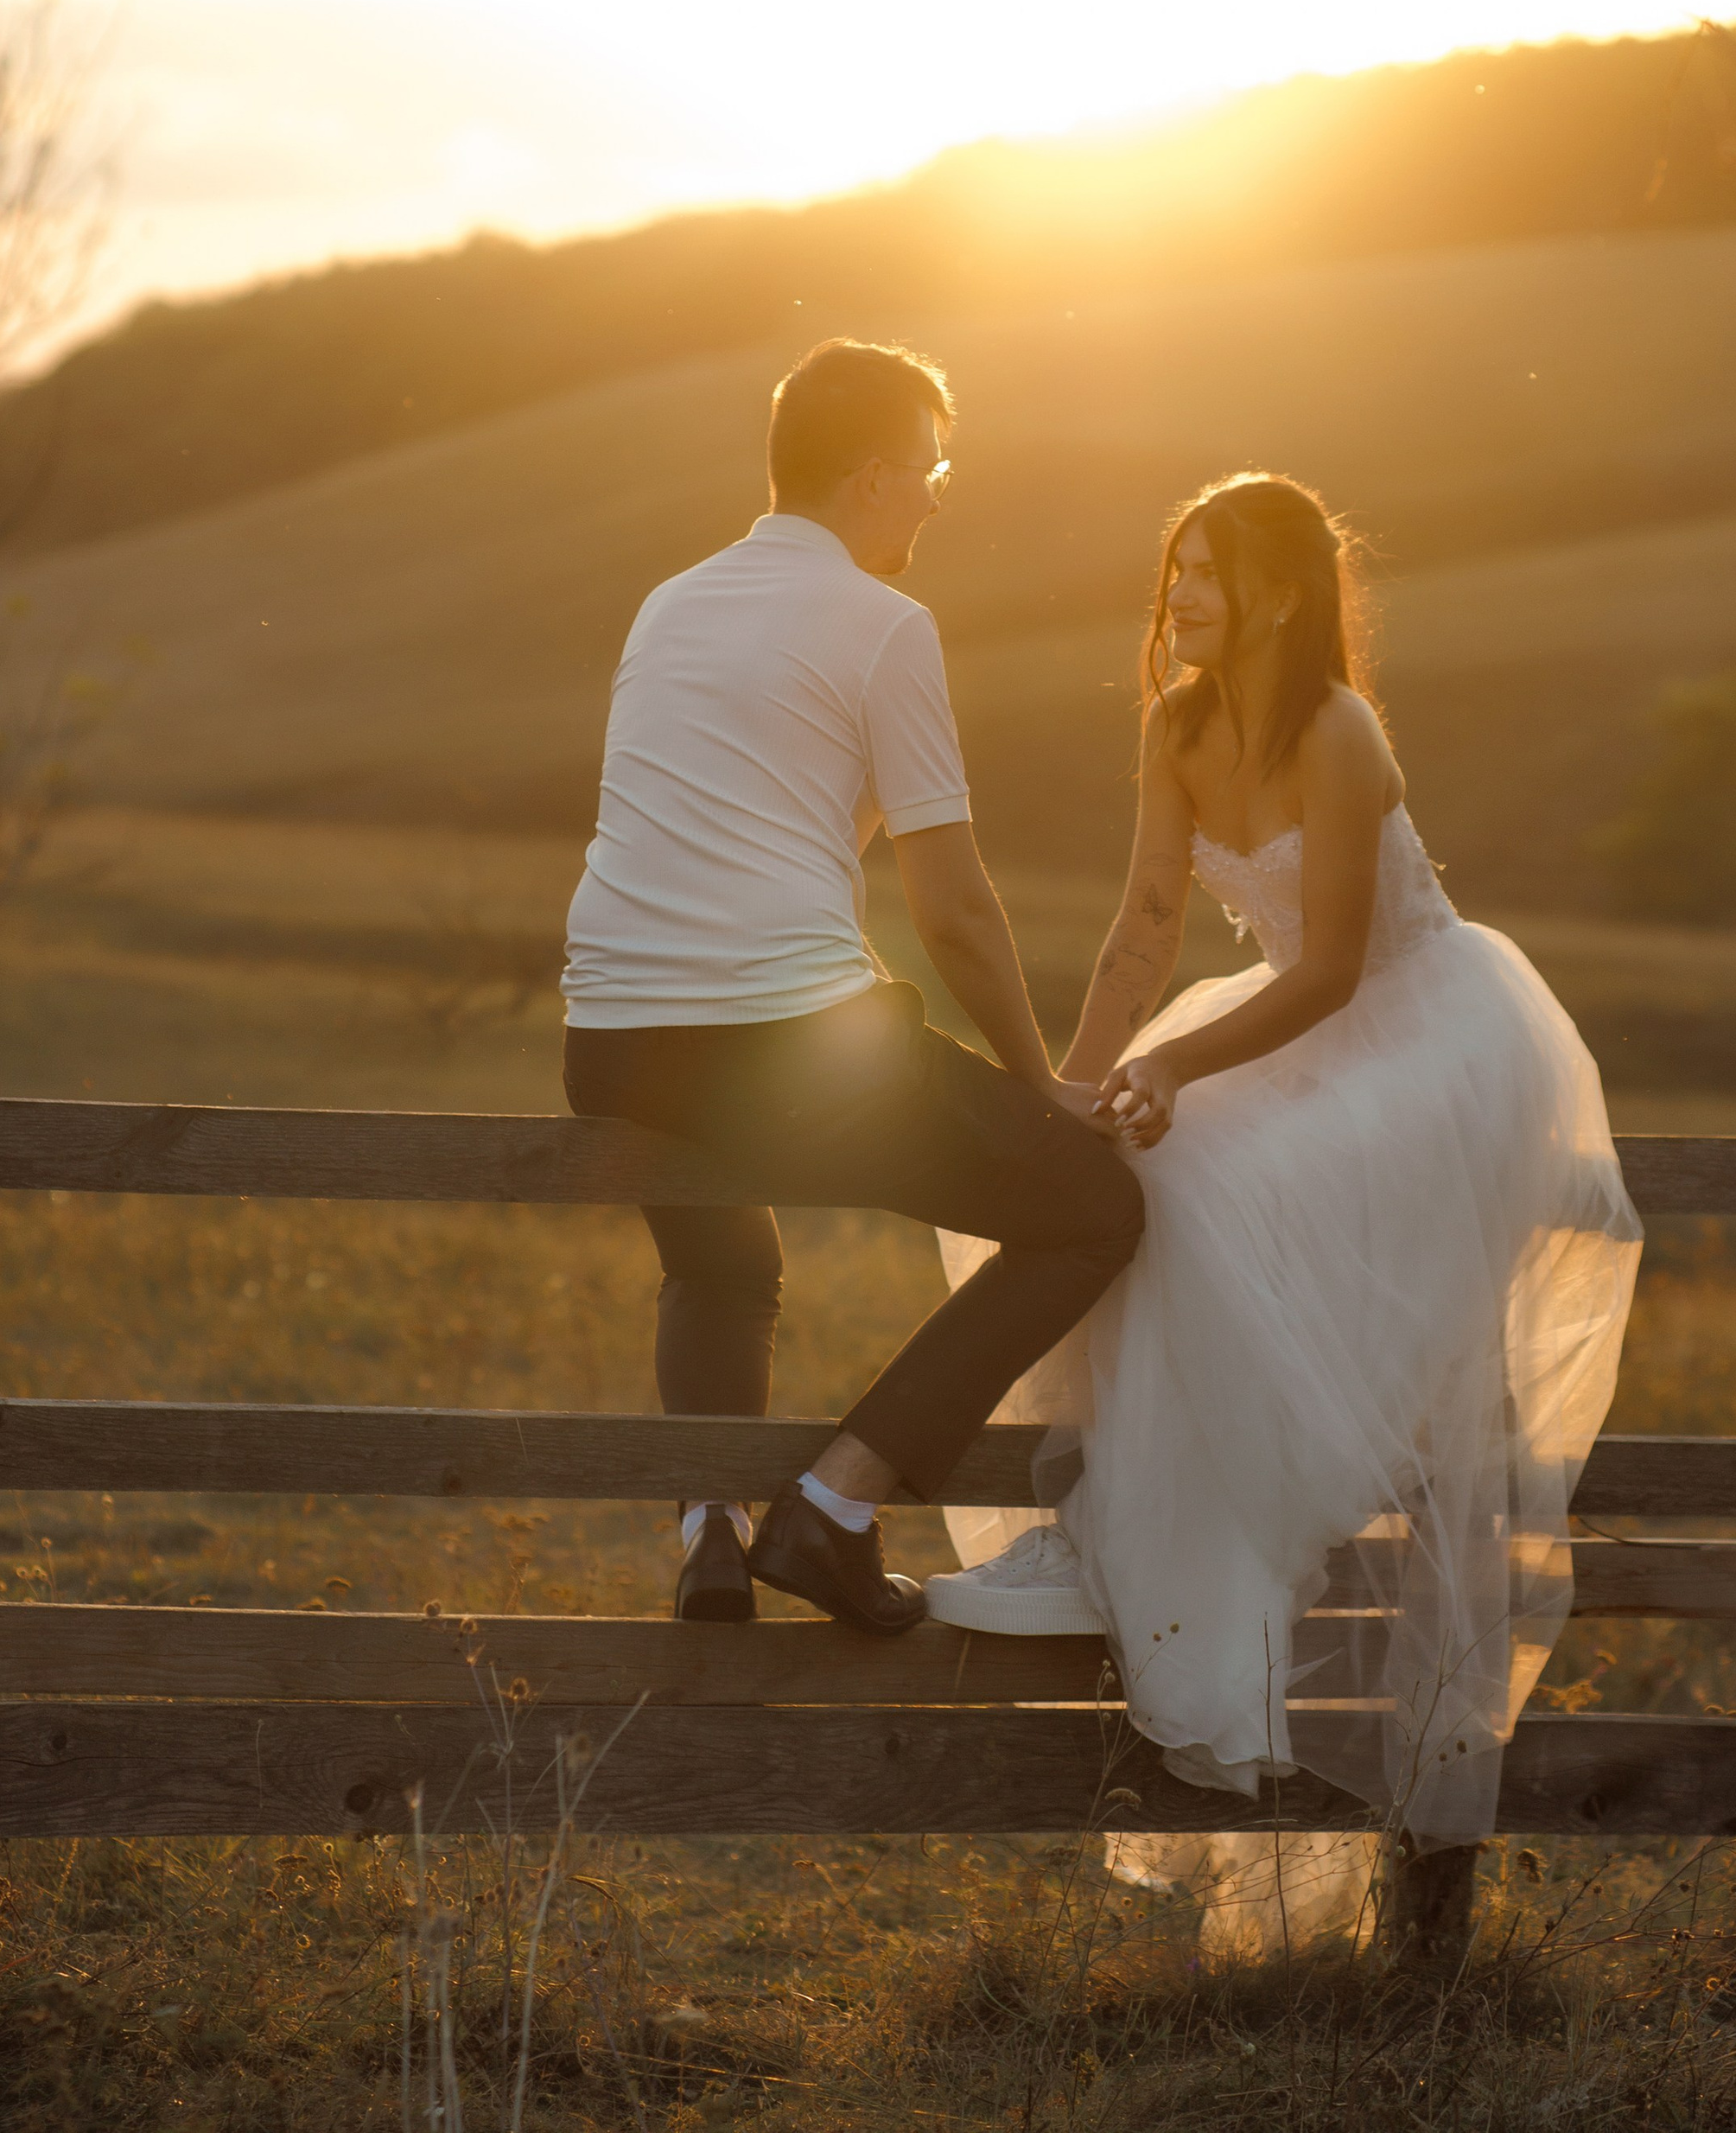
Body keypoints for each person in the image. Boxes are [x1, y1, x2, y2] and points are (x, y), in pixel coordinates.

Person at [923, 472, 1640, 1862]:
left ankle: (1210, 1533)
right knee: (1105, 1180)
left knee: (1195, 1183)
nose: (1179, 594)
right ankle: (1099, 1536)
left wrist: (1177, 1071)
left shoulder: (1338, 729)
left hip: (1425, 1033)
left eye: (1208, 572)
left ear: (1282, 594)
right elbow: (1146, 921)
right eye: (1175, 569)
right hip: (1289, 1027)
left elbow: (1330, 971)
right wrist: (1071, 1087)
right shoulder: (1177, 723)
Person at [559, 336, 1141, 1634]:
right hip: (778, 1050)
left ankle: (710, 1534)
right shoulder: (886, 625)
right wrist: (1038, 1082)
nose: (937, 498)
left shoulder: (671, 604)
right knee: (1095, 1209)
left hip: (609, 1043)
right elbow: (955, 911)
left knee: (725, 1264)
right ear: (874, 476)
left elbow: (758, 821)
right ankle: (832, 1510)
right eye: (932, 470)